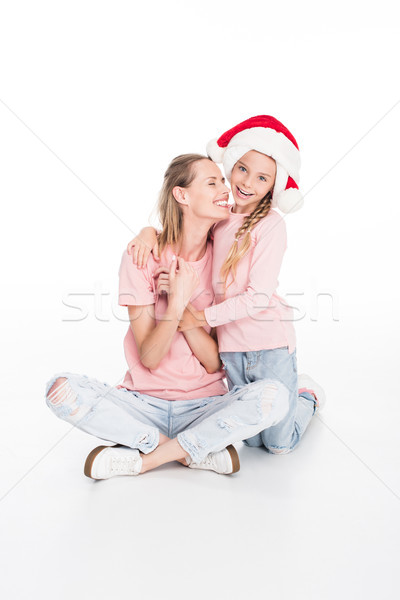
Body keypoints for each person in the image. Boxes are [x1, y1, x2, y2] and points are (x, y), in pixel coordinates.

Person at [45, 153, 290, 480]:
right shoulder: (142, 256)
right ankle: (186, 449)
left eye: (222, 181)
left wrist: (185, 304)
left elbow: (215, 364)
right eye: (213, 182)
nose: (226, 190)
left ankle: (149, 455)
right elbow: (149, 357)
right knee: (59, 389)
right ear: (182, 195)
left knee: (275, 398)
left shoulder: (223, 256)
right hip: (142, 404)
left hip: (205, 406)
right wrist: (173, 305)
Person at [128, 115, 326, 458]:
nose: (247, 182)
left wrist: (200, 318)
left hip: (269, 345)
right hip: (231, 350)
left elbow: (258, 297)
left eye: (262, 177)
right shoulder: (220, 218)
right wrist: (148, 233)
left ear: (273, 187)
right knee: (250, 440)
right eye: (242, 169)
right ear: (231, 165)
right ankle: (290, 398)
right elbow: (183, 235)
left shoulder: (271, 225)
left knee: (278, 444)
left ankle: (306, 394)